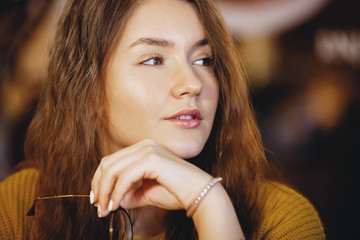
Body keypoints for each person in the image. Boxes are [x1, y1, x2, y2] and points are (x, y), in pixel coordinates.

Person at [0, 0, 325, 239]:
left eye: (204, 59)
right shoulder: (22, 205)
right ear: (87, 89)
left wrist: (209, 203)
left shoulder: (281, 219)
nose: (193, 84)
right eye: (154, 59)